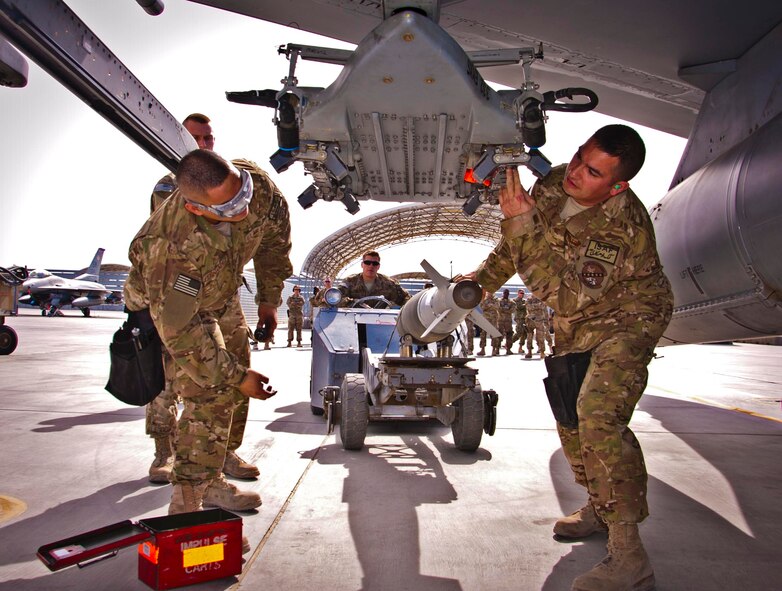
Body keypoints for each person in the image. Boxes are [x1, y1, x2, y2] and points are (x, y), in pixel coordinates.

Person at [468, 125, 673, 590]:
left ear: (617, 185)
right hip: (579, 322)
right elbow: (515, 246)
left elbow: (565, 296)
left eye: (593, 171)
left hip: (628, 319)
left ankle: (629, 554)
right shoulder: (556, 182)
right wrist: (481, 283)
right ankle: (599, 509)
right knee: (570, 418)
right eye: (580, 157)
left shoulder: (621, 228)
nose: (577, 172)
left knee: (598, 416)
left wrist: (518, 223)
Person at [124, 149, 293, 545]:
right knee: (212, 386)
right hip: (173, 306)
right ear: (194, 207)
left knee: (234, 385)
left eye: (243, 195)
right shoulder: (169, 246)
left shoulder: (258, 189)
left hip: (222, 291)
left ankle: (214, 475)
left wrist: (269, 299)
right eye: (230, 206)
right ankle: (187, 505)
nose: (243, 208)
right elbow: (186, 334)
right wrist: (237, 376)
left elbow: (273, 244)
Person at [145, 114, 261, 485]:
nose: (205, 144)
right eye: (197, 138)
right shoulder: (172, 189)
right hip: (183, 288)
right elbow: (180, 254)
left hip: (222, 295)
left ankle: (223, 452)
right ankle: (165, 451)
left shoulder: (226, 183)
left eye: (209, 138)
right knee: (173, 377)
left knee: (227, 371)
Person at [338, 251, 410, 307]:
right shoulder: (350, 281)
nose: (371, 266)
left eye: (374, 263)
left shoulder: (389, 284)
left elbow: (406, 298)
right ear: (362, 265)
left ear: (378, 266)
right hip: (354, 321)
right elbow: (336, 298)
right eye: (367, 262)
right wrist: (353, 303)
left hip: (380, 321)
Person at [524, 295, 549, 359]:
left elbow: (543, 306)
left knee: (540, 336)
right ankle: (529, 351)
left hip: (539, 320)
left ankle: (542, 352)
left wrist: (534, 306)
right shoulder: (529, 299)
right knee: (529, 336)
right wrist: (538, 305)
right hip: (530, 320)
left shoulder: (541, 298)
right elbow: (528, 307)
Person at [476, 291, 500, 356]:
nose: (490, 293)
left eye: (491, 292)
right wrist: (491, 305)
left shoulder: (496, 300)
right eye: (489, 292)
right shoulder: (484, 300)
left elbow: (497, 306)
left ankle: (493, 349)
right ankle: (482, 349)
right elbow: (482, 307)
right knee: (483, 333)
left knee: (494, 333)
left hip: (494, 319)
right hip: (485, 318)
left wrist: (489, 305)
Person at [497, 288, 515, 354]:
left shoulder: (511, 302)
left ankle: (508, 349)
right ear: (503, 293)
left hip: (508, 321)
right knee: (499, 334)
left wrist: (504, 310)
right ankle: (497, 348)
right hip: (500, 321)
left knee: (509, 334)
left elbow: (512, 310)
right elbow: (498, 308)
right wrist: (506, 310)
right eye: (505, 293)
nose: (506, 294)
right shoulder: (499, 301)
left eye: (507, 293)